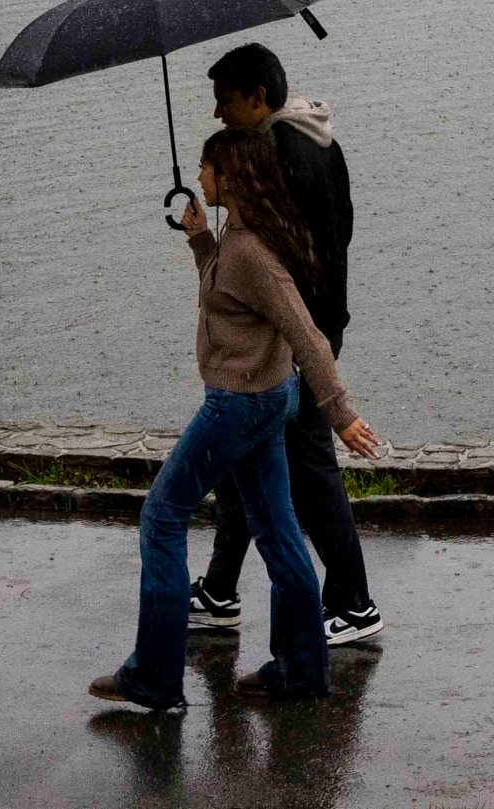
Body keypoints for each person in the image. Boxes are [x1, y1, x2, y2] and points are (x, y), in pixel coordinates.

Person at [89, 124, 381, 713]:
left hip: (238, 403)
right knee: (277, 529)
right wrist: (200, 243)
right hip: (266, 399)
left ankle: (154, 675)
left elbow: (309, 338)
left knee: (162, 517)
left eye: (205, 168)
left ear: (231, 177)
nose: (197, 177)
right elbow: (230, 299)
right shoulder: (241, 238)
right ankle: (300, 668)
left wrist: (340, 414)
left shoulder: (252, 252)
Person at [188, 44, 381, 647]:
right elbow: (343, 227)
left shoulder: (277, 153)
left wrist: (285, 334)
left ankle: (352, 604)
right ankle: (220, 590)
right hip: (319, 322)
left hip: (298, 335)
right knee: (252, 458)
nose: (218, 113)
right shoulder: (321, 139)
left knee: (308, 469)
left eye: (226, 101)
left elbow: (274, 261)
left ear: (259, 99)